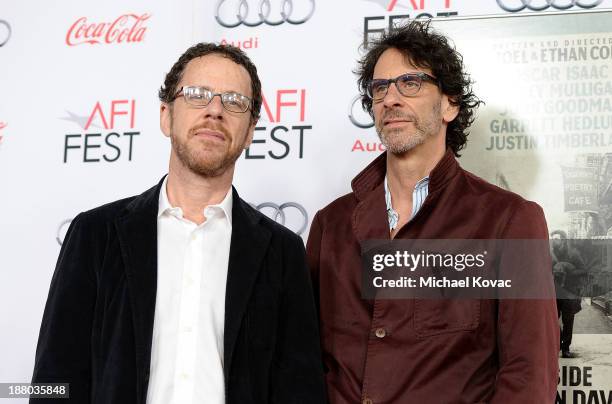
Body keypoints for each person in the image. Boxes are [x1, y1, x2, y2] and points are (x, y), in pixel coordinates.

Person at [31, 43, 326, 404]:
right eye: (198, 95)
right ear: (166, 115)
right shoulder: (95, 234)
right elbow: (55, 379)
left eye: (234, 100)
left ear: (250, 132)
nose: (215, 110)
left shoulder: (281, 251)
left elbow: (299, 389)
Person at [306, 21, 559, 403]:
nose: (390, 99)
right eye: (380, 88)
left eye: (410, 83)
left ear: (449, 104)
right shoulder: (331, 224)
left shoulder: (508, 221)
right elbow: (303, 361)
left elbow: (529, 377)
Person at [551, 230, 586, 358]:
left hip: (569, 292)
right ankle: (558, 343)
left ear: (563, 240)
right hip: (553, 292)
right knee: (552, 319)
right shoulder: (550, 254)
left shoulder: (573, 254)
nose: (554, 241)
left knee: (568, 320)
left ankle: (565, 349)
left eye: (556, 239)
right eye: (552, 238)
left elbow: (583, 270)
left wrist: (568, 270)